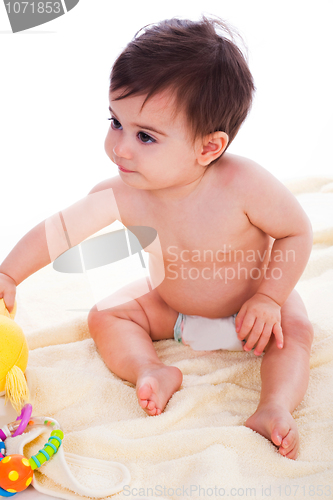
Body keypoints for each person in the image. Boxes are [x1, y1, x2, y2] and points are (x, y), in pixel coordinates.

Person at [0, 16, 314, 460]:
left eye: (145, 136)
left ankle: (274, 407)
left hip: (254, 318)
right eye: (115, 122)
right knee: (105, 316)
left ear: (209, 147)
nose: (121, 148)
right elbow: (60, 230)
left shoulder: (244, 185)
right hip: (175, 310)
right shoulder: (121, 193)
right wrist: (9, 272)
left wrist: (269, 296)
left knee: (296, 329)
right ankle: (152, 370)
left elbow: (296, 232)